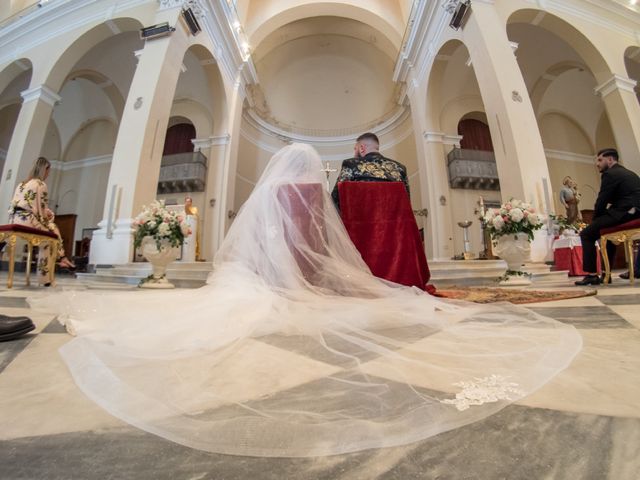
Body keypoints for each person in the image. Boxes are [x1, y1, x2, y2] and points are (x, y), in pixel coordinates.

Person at [29, 144, 581, 458]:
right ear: (308, 167)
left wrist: (276, 263)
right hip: (300, 273)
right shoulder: (316, 188)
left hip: (262, 273)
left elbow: (272, 237)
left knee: (245, 294)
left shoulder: (271, 190)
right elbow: (320, 237)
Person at [575, 148, 640, 285]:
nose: (597, 164)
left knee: (586, 234)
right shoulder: (629, 173)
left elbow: (602, 201)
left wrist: (594, 221)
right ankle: (606, 274)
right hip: (634, 212)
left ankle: (592, 274)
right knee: (607, 234)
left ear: (610, 160)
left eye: (600, 160)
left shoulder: (610, 174)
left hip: (624, 213)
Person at [8, 157, 75, 284]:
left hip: (15, 219)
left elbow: (22, 204)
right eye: (48, 171)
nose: (48, 174)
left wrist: (45, 213)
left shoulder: (21, 184)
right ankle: (48, 275)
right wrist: (49, 215)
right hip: (28, 220)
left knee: (52, 230)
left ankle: (62, 258)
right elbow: (42, 209)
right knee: (52, 236)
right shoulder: (40, 184)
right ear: (45, 170)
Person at [331, 132, 409, 211]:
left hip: (359, 221)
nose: (354, 154)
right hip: (394, 222)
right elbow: (406, 204)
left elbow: (336, 198)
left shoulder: (351, 164)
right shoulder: (400, 168)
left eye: (355, 149)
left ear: (362, 148)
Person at [184, 196, 201, 260]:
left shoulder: (194, 208)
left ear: (191, 202)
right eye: (186, 201)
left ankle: (195, 256)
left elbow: (193, 214)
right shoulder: (183, 208)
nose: (188, 203)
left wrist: (186, 208)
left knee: (193, 242)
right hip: (185, 226)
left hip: (192, 226)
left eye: (189, 201)